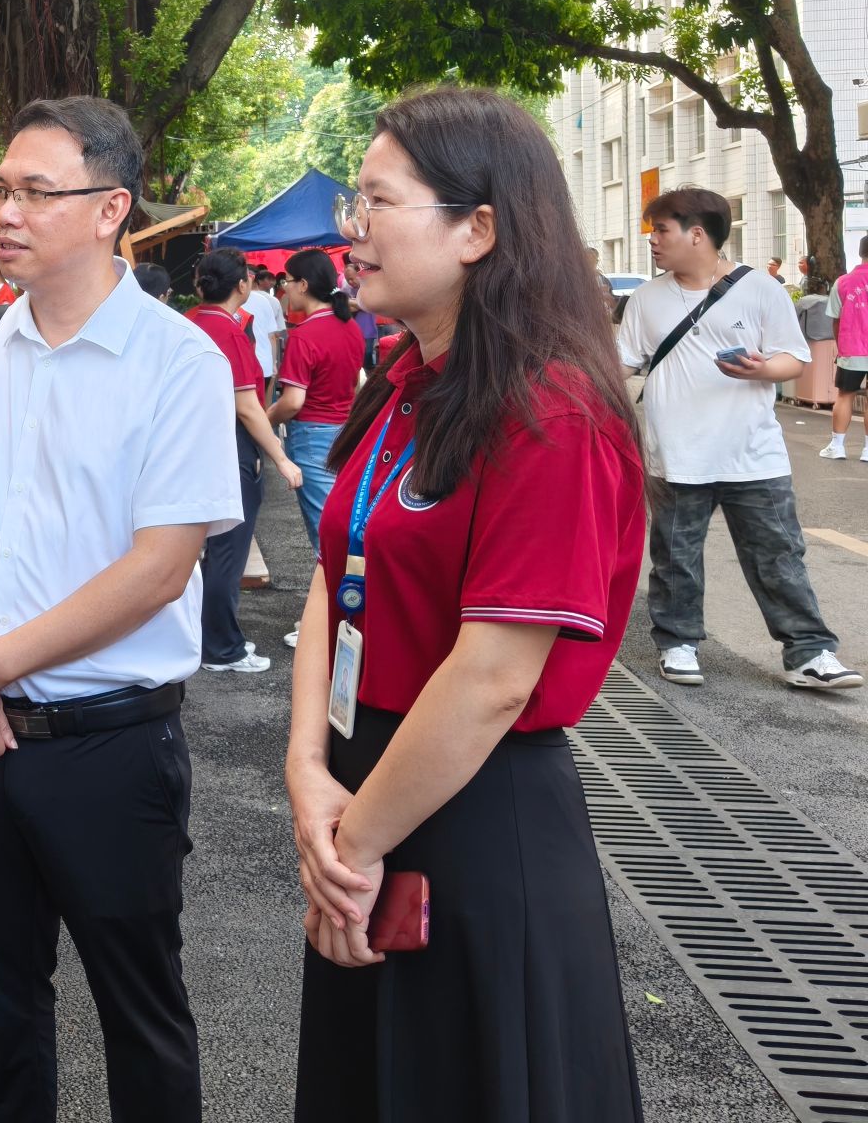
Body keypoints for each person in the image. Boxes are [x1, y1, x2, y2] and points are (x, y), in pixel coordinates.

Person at [288, 86, 647, 1122]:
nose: (348, 234)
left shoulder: (549, 410)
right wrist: (306, 768)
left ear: (477, 228)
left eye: (375, 204)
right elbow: (333, 575)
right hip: (364, 791)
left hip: (472, 815)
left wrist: (347, 850)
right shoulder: (403, 376)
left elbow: (491, 679)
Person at [0, 96, 243, 1123]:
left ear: (110, 211)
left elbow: (159, 566)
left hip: (107, 751)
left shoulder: (177, 360)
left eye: (34, 192)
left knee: (139, 1013)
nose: (4, 212)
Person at [618, 189, 862, 690]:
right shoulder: (646, 299)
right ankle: (678, 641)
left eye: (661, 229)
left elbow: (793, 359)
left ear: (698, 234)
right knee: (675, 557)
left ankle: (809, 654)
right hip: (677, 455)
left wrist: (759, 368)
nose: (652, 240)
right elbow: (621, 365)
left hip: (754, 455)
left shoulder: (760, 290)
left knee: (778, 556)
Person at [186, 248, 305, 675]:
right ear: (243, 285)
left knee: (202, 552)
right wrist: (281, 460)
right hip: (229, 447)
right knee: (227, 552)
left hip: (193, 447)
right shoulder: (228, 332)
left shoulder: (191, 322)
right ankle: (222, 648)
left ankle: (210, 639)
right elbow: (249, 408)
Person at [269, 248, 365, 555]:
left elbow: (293, 401)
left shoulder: (304, 335)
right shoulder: (350, 327)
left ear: (304, 284)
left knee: (327, 534)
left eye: (288, 281)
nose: (285, 288)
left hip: (312, 436)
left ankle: (340, 598)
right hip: (344, 430)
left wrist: (265, 419)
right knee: (344, 520)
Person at [820, 236, 868, 460]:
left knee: (845, 395)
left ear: (860, 252)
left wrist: (842, 345)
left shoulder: (844, 282)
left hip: (852, 348)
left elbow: (836, 319)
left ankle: (837, 446)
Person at [243, 265, 287, 381]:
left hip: (243, 364)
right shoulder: (270, 300)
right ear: (256, 279)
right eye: (269, 279)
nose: (272, 282)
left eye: (273, 279)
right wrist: (274, 363)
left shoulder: (233, 299)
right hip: (264, 362)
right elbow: (274, 335)